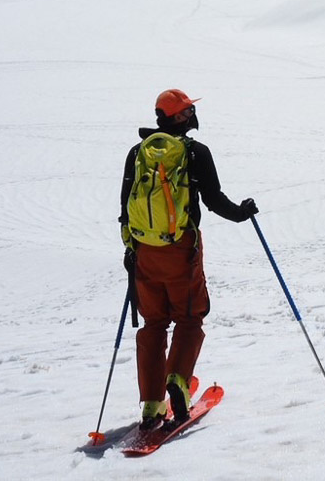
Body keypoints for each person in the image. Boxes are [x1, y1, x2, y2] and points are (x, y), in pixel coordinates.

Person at [119, 88, 258, 430]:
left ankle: (152, 404)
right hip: (182, 249)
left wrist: (131, 249)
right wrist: (242, 214)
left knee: (153, 323)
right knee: (189, 316)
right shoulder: (195, 152)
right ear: (179, 117)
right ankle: (178, 381)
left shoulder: (138, 153)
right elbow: (213, 199)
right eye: (187, 111)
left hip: (144, 251)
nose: (191, 115)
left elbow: (125, 207)